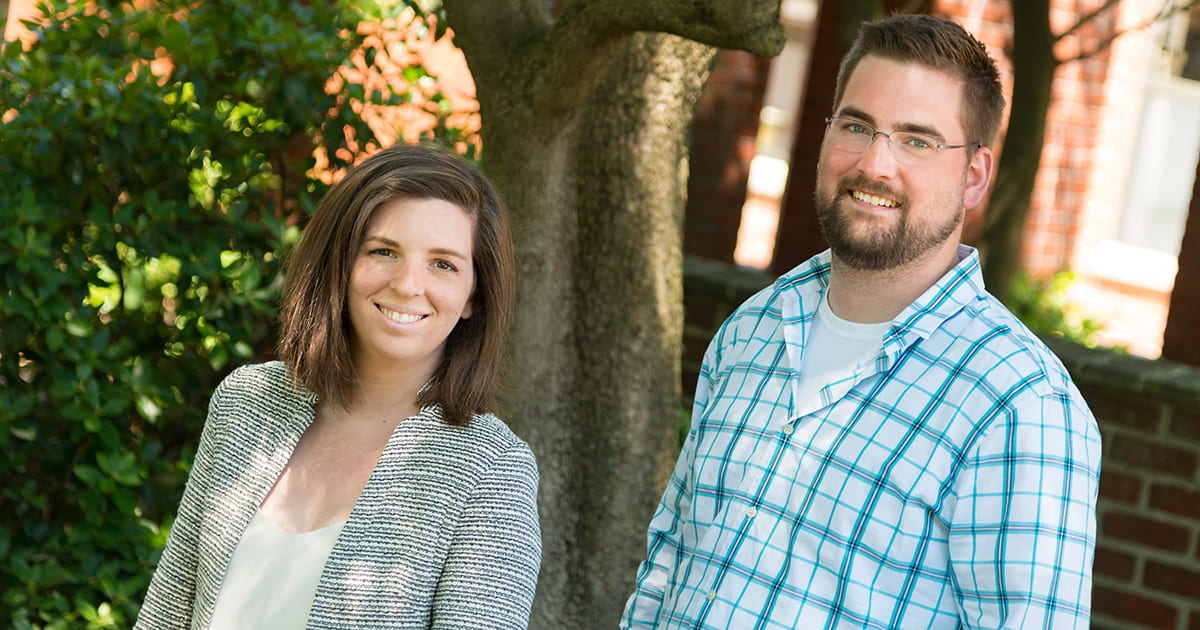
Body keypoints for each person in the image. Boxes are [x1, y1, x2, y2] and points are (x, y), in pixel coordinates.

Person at [622, 14, 1100, 629]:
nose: (876, 165)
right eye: (857, 126)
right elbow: (669, 564)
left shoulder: (1020, 405)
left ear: (974, 175)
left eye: (917, 140)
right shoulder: (753, 329)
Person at [135, 143, 541, 629]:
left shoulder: (492, 471)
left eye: (443, 264)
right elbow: (166, 613)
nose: (409, 285)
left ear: (474, 296)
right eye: (383, 251)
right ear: (340, 263)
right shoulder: (247, 403)